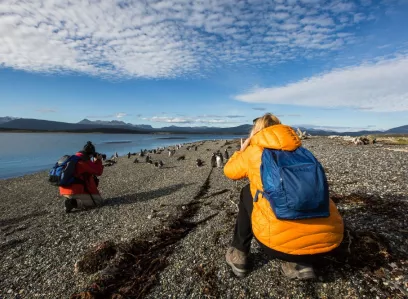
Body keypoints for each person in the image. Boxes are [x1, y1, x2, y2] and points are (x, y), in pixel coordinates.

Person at [223, 113, 344, 279]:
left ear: (257, 130)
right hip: (329, 242)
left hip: (278, 246)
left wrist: (241, 150)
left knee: (246, 191)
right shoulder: (302, 151)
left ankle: (239, 254)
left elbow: (229, 171)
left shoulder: (254, 151)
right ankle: (298, 263)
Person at [60, 141, 104, 213]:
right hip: (74, 192)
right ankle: (72, 203)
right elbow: (98, 172)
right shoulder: (83, 161)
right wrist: (98, 160)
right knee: (99, 201)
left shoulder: (74, 158)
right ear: (90, 154)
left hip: (64, 190)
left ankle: (71, 200)